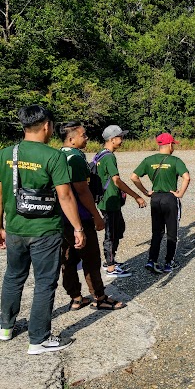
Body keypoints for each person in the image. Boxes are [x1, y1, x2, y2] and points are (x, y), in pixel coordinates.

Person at [0, 105, 85, 354]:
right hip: (45, 230)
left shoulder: (5, 153)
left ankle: (5, 327)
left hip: (15, 228)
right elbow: (65, 195)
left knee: (13, 276)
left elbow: (1, 193)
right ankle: (38, 339)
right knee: (45, 282)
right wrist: (78, 228)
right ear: (46, 126)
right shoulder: (53, 156)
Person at [59, 122, 125, 311]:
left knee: (68, 259)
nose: (87, 138)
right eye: (83, 135)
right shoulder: (76, 158)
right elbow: (82, 192)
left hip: (62, 219)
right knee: (91, 259)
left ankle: (76, 298)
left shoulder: (57, 155)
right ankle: (99, 297)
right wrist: (96, 216)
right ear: (71, 139)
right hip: (80, 217)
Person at [131, 133, 190, 274]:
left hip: (155, 198)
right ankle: (169, 262)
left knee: (157, 232)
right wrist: (180, 193)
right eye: (173, 144)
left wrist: (145, 192)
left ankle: (152, 260)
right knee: (172, 232)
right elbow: (186, 177)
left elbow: (133, 177)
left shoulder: (148, 160)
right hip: (170, 198)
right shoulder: (175, 160)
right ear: (169, 145)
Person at [97, 125, 147, 277]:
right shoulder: (109, 157)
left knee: (118, 229)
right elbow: (116, 180)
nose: (122, 140)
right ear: (112, 139)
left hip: (108, 199)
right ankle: (110, 266)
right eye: (120, 137)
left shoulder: (100, 154)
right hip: (109, 201)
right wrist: (136, 196)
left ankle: (110, 260)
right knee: (111, 233)